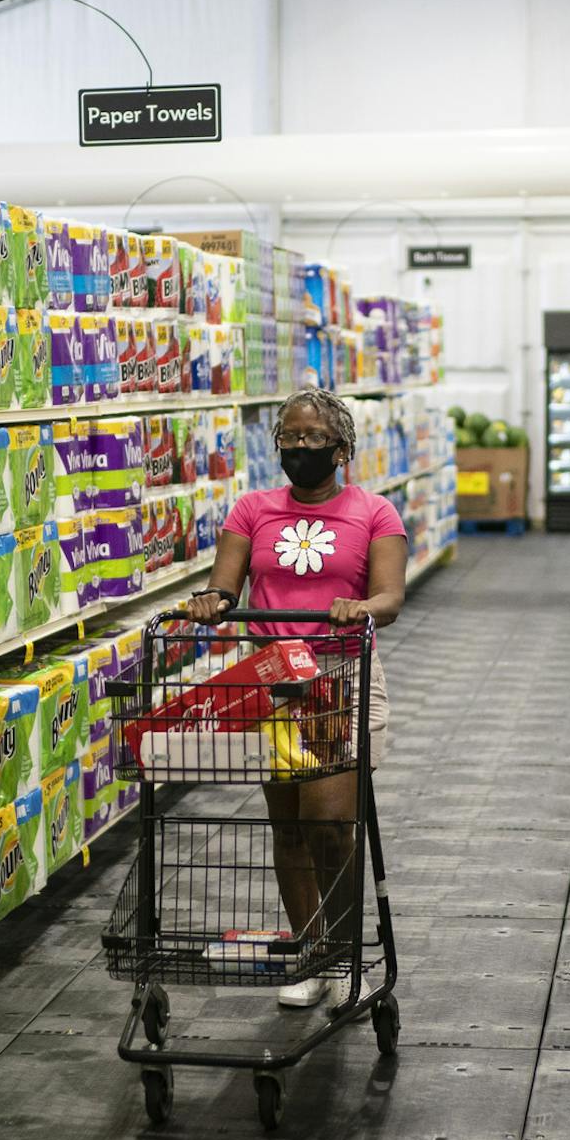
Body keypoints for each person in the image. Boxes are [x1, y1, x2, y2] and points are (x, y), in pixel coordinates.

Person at [184, 389, 406, 1008]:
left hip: (338, 677)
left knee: (329, 824)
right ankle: (311, 956)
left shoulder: (375, 512)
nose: (298, 448)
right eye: (288, 436)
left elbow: (390, 597)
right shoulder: (252, 509)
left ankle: (342, 949)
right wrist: (211, 602)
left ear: (342, 448)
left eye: (312, 439)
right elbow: (223, 586)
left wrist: (361, 606)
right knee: (288, 827)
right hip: (271, 675)